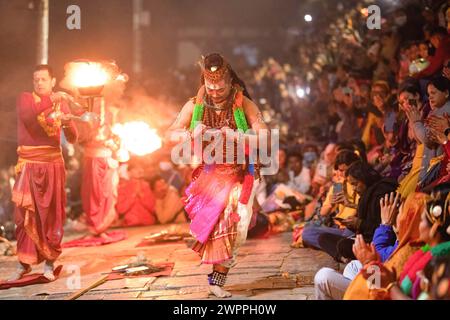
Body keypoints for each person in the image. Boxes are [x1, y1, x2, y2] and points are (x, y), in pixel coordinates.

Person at [166, 53, 268, 298]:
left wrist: (238, 137)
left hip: (240, 175)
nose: (214, 91)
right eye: (209, 87)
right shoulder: (195, 104)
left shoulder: (243, 104)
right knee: (217, 229)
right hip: (210, 176)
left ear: (230, 81)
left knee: (233, 227)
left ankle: (217, 279)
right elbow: (171, 134)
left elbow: (264, 136)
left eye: (219, 87)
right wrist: (191, 133)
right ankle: (216, 281)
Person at [9, 65, 78, 281]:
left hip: (53, 165)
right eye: (36, 79)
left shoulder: (62, 103)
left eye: (43, 79)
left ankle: (49, 262)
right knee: (23, 216)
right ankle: (24, 263)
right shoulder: (25, 99)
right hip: (29, 164)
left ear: (52, 81)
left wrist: (67, 124)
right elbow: (28, 117)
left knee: (52, 215)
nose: (39, 83)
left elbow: (74, 137)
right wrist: (52, 99)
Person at [344, 183, 450, 300]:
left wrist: (370, 264)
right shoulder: (422, 251)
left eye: (401, 212)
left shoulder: (415, 253)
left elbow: (379, 290)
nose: (398, 216)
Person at [315, 192, 426, 300]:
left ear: (408, 221)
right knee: (353, 266)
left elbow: (380, 257)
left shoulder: (411, 249)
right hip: (381, 284)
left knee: (323, 277)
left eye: (399, 212)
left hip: (380, 291)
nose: (394, 214)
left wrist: (385, 224)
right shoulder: (410, 242)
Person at [81, 62, 127, 239]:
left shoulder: (113, 110)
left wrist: (115, 142)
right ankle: (94, 227)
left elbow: (115, 134)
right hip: (94, 158)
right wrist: (107, 140)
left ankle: (102, 227)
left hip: (109, 158)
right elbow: (88, 135)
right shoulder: (91, 108)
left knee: (109, 192)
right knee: (93, 194)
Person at [116, 160, 157, 227]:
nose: (139, 170)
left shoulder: (146, 186)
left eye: (141, 168)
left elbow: (153, 208)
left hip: (148, 225)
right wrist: (133, 195)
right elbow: (120, 209)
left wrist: (141, 195)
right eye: (135, 169)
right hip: (130, 226)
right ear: (129, 173)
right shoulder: (123, 188)